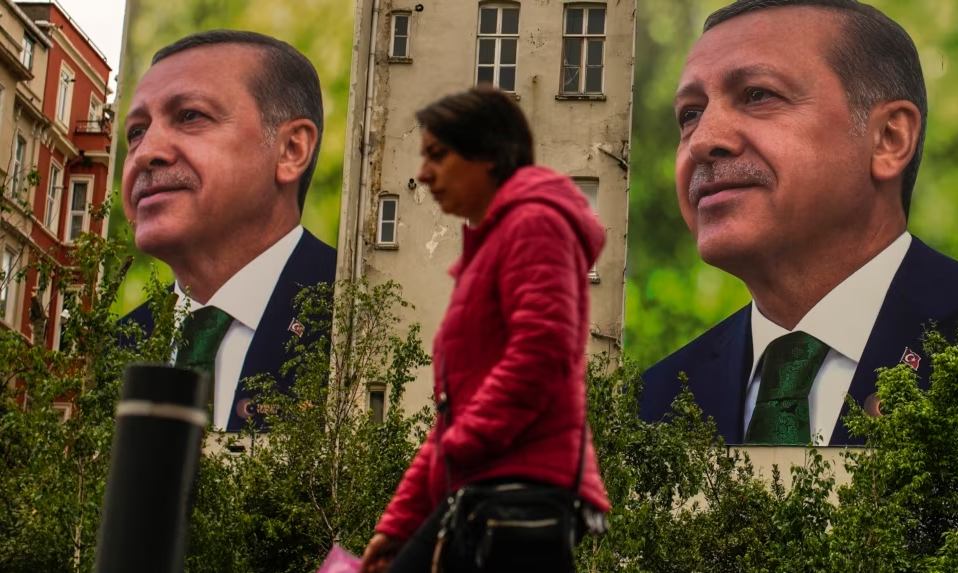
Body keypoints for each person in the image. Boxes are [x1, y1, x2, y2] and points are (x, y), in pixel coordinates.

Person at [639, 0, 958, 446]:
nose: (703, 141)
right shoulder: (646, 409)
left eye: (757, 94)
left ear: (889, 139)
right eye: (690, 114)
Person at [359, 87, 610, 573]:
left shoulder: (535, 225)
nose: (422, 173)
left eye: (438, 154)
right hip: (486, 487)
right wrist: (397, 527)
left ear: (490, 155)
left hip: (516, 493)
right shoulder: (495, 242)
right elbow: (454, 415)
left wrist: (460, 446)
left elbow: (541, 351)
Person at [119, 30, 337, 432]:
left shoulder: (354, 314)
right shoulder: (114, 347)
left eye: (190, 116)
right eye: (136, 131)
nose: (146, 152)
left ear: (291, 150)